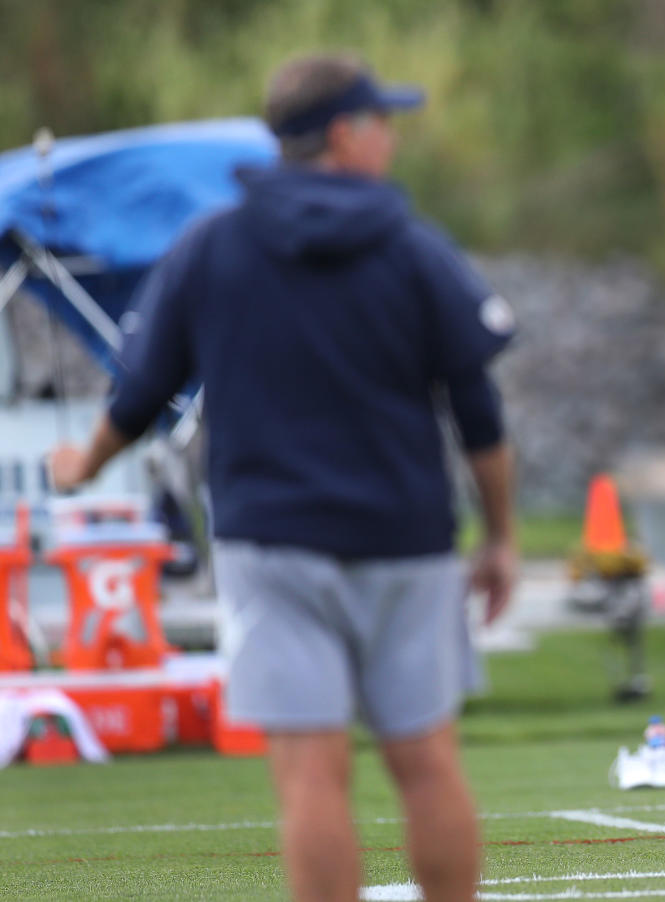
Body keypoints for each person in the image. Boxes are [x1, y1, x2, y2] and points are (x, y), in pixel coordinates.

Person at [47, 53, 517, 902]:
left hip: (271, 542)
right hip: (405, 540)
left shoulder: (209, 246)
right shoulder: (412, 248)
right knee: (424, 761)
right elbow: (478, 412)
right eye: (384, 122)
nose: (392, 138)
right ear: (344, 134)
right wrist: (504, 538)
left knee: (309, 775)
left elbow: (141, 392)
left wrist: (84, 463)